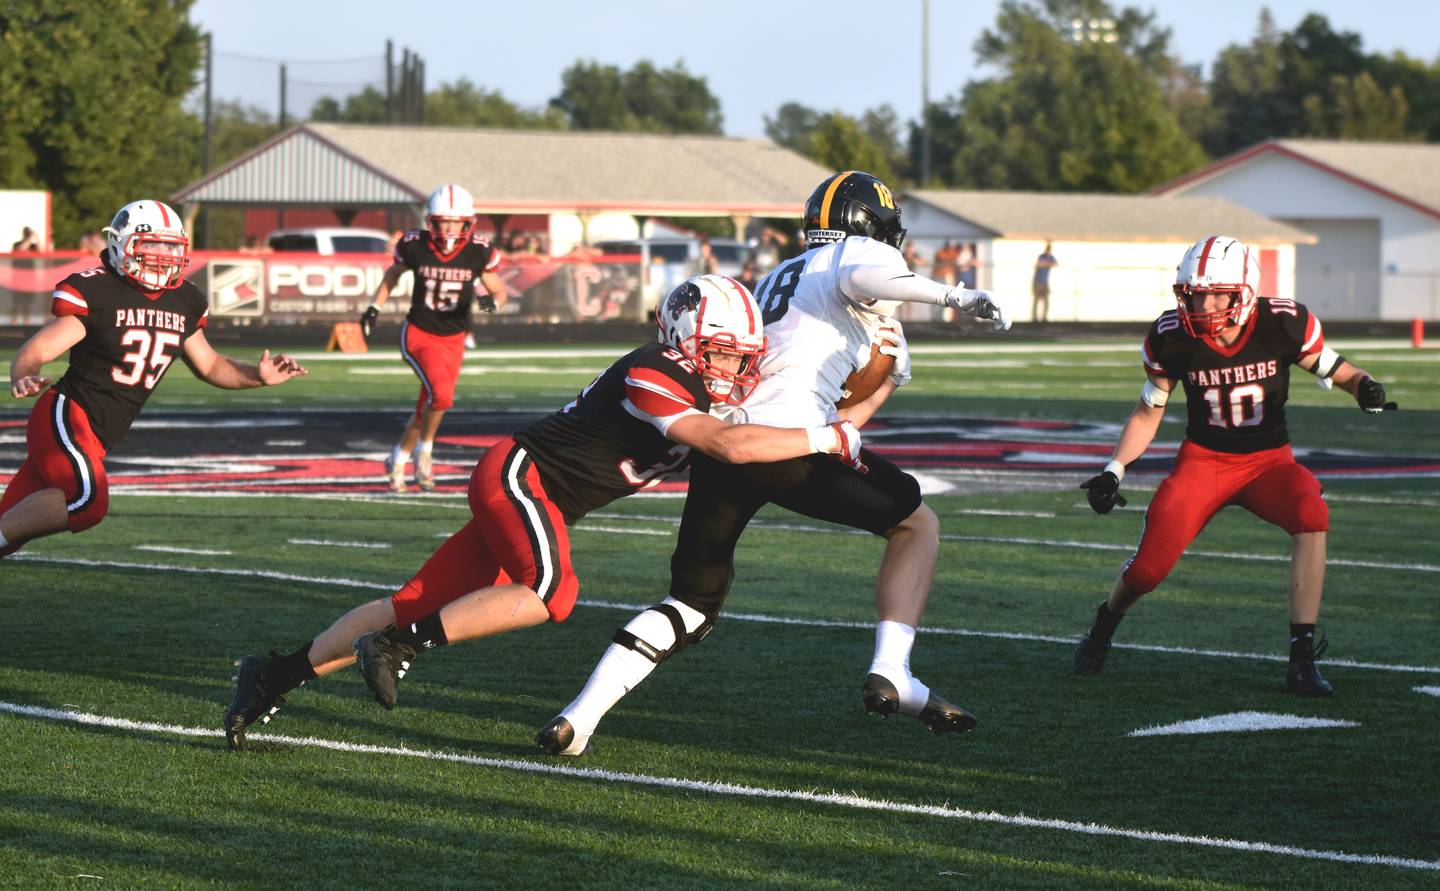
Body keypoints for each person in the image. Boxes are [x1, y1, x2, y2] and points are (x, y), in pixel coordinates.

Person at [223, 274, 868, 750]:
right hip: (519, 475)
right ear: (684, 338)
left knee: (413, 597)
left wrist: (862, 399)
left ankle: (274, 674)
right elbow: (730, 443)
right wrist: (828, 438)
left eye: (740, 355)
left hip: (532, 492)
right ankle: (396, 645)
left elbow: (766, 423)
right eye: (723, 352)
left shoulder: (705, 381)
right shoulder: (654, 370)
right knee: (553, 594)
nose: (735, 367)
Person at [536, 170, 1012, 757]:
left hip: (730, 444)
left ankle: (576, 719)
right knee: (917, 524)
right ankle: (893, 669)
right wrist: (955, 296)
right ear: (871, 227)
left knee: (690, 602)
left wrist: (879, 385)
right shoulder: (856, 259)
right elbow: (866, 276)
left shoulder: (780, 277)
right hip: (790, 447)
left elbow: (836, 409)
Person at [1073, 235, 1397, 697]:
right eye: (1194, 293)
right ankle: (1104, 624)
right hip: (1204, 462)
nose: (1202, 303)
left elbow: (1337, 369)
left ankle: (1301, 660)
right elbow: (1149, 412)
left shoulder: (1284, 322)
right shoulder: (1171, 337)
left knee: (1311, 512)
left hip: (1269, 463)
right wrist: (1115, 469)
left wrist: (1364, 387)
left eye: (1213, 293)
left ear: (1243, 290)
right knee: (1147, 571)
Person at [1, 200, 307, 558]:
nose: (163, 255)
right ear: (122, 244)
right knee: (87, 501)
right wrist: (25, 374)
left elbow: (209, 365)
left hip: (100, 434)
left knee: (10, 532)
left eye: (170, 247)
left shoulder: (184, 299)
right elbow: (38, 350)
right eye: (152, 245)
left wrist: (257, 375)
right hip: (68, 415)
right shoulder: (99, 291)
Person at [359, 184, 506, 493]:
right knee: (442, 396)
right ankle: (424, 455)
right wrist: (375, 307)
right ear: (431, 221)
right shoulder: (416, 245)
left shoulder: (477, 250)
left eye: (456, 221)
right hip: (420, 333)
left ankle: (397, 459)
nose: (450, 228)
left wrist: (494, 302)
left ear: (468, 222)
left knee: (430, 405)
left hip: (454, 337)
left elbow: (499, 290)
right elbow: (393, 274)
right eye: (443, 221)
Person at [1032, 242, 1057, 322]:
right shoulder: (1041, 256)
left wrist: (1047, 264)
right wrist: (1047, 264)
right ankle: (1034, 317)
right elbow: (1039, 264)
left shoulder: (1051, 257)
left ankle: (1044, 317)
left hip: (1045, 281)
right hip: (1038, 281)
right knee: (1036, 299)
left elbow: (1056, 264)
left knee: (1046, 299)